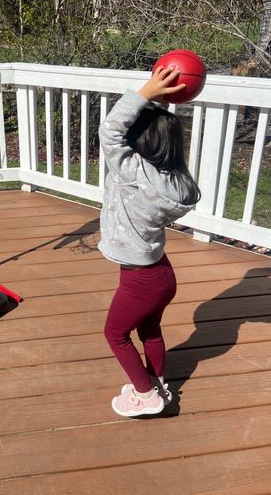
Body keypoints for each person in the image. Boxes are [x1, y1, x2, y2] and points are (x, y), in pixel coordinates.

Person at [98, 65, 201, 418]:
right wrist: (158, 104)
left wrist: (146, 92)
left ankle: (146, 395)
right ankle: (158, 381)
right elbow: (144, 136)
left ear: (140, 144)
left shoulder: (133, 172)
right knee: (150, 329)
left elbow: (111, 130)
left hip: (140, 279)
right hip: (161, 273)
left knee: (115, 334)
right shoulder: (178, 183)